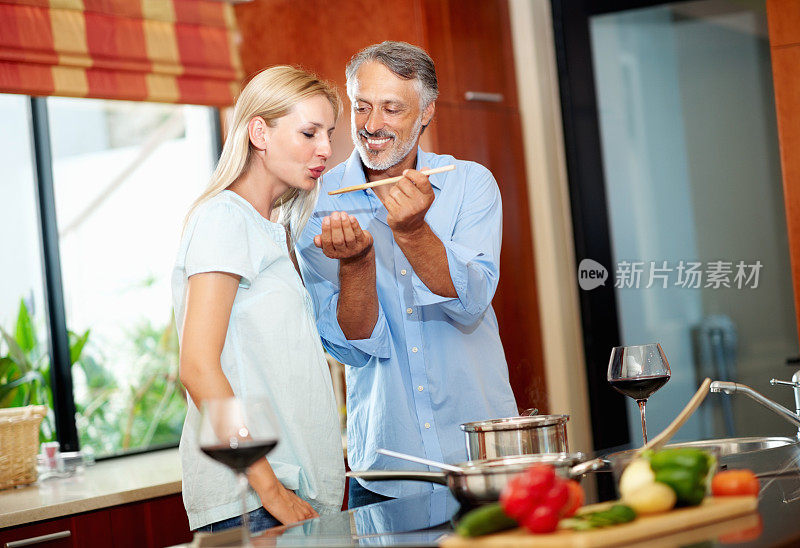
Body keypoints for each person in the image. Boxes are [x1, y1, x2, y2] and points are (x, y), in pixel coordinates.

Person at [295, 42, 518, 508]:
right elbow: (353, 347)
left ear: (426, 112)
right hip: (387, 468)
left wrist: (413, 232)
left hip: (483, 459)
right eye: (361, 107)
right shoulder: (319, 201)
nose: (372, 125)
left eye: (392, 108)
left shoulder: (469, 183)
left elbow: (471, 299)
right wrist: (357, 264)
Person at [172, 66, 344, 533]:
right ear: (259, 132)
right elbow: (198, 368)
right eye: (309, 132)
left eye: (328, 133)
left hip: (289, 494)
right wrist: (270, 489)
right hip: (254, 503)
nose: (325, 149)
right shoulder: (225, 219)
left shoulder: (273, 228)